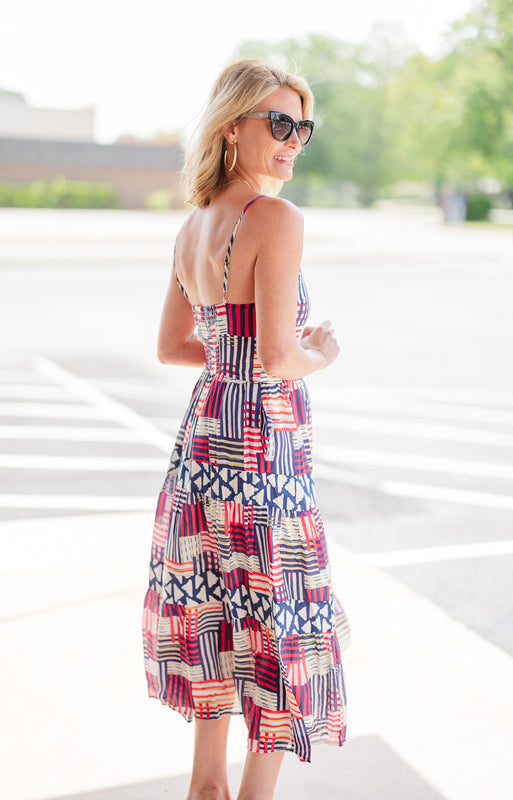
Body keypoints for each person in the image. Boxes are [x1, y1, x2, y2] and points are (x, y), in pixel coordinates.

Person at [141, 58, 347, 800]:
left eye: (303, 127)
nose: (294, 140)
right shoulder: (274, 219)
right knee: (279, 617)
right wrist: (318, 352)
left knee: (216, 614)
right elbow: (279, 355)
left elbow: (174, 347)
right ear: (233, 127)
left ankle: (205, 784)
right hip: (263, 447)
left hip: (204, 444)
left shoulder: (193, 226)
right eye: (279, 124)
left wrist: (240, 353)